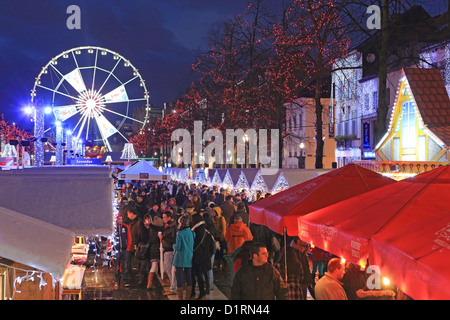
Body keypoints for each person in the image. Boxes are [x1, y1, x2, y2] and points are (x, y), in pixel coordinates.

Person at [191, 213, 216, 300]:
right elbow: (212, 246)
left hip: (198, 256)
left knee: (197, 274)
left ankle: (200, 291)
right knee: (204, 273)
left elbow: (194, 244)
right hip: (205, 256)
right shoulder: (206, 231)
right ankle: (206, 288)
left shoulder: (195, 231)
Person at [173, 215, 195, 300]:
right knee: (189, 276)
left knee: (179, 277)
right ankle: (187, 297)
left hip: (180, 257)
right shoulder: (192, 233)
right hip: (189, 256)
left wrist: (173, 246)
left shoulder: (180, 234)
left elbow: (178, 247)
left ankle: (180, 297)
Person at [159, 211, 178, 296]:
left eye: (165, 217)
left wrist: (163, 237)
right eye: (163, 217)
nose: (163, 219)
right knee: (167, 268)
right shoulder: (167, 227)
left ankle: (174, 287)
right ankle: (173, 285)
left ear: (169, 217)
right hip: (166, 249)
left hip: (170, 250)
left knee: (170, 269)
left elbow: (174, 240)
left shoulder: (172, 227)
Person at [113, 214, 131, 288]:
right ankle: (117, 280)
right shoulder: (114, 228)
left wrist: (128, 248)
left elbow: (129, 237)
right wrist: (111, 248)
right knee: (117, 266)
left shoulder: (125, 227)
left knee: (125, 266)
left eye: (121, 219)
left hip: (124, 250)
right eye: (118, 219)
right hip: (116, 250)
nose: (120, 220)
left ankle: (125, 280)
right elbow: (110, 238)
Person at [146, 215, 164, 290]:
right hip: (157, 250)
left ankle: (150, 283)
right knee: (156, 266)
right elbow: (158, 240)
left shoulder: (151, 229)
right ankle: (150, 283)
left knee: (154, 266)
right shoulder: (157, 231)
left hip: (152, 249)